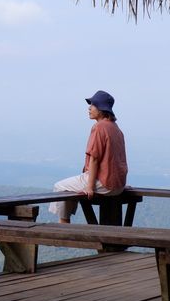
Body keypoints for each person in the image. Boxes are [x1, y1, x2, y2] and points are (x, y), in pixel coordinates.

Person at [49, 90, 128, 223]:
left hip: (104, 183)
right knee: (69, 186)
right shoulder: (116, 128)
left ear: (102, 109)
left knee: (59, 186)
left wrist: (90, 187)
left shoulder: (99, 127)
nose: (89, 108)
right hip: (118, 186)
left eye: (93, 105)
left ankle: (63, 224)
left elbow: (94, 158)